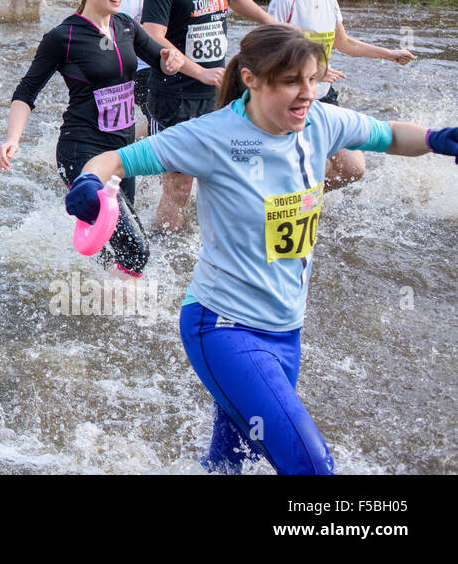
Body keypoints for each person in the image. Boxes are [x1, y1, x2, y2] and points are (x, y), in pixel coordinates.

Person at [66, 24, 458, 474]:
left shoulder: (321, 124)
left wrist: (437, 139)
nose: (307, 93)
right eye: (291, 81)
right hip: (223, 328)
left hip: (286, 330)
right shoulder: (211, 137)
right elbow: (117, 159)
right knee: (312, 466)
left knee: (233, 463)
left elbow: (388, 135)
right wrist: (90, 183)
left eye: (313, 79)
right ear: (251, 78)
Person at [0, 0, 190, 276]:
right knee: (137, 251)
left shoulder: (127, 25)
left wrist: (173, 61)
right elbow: (26, 92)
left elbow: (162, 59)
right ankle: (116, 318)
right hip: (82, 151)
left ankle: (98, 305)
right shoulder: (63, 37)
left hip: (123, 154)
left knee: (117, 245)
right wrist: (12, 140)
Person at [138, 0, 279, 231]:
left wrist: (272, 23)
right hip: (176, 96)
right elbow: (152, 35)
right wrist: (198, 71)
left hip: (217, 93)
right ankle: (162, 252)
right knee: (179, 185)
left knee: (227, 171)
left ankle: (210, 243)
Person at [266, 0, 416, 189]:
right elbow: (269, 57)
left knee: (352, 168)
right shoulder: (284, 2)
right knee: (298, 163)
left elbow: (345, 43)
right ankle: (286, 199)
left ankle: (302, 195)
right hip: (289, 98)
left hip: (323, 96)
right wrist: (312, 73)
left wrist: (390, 54)